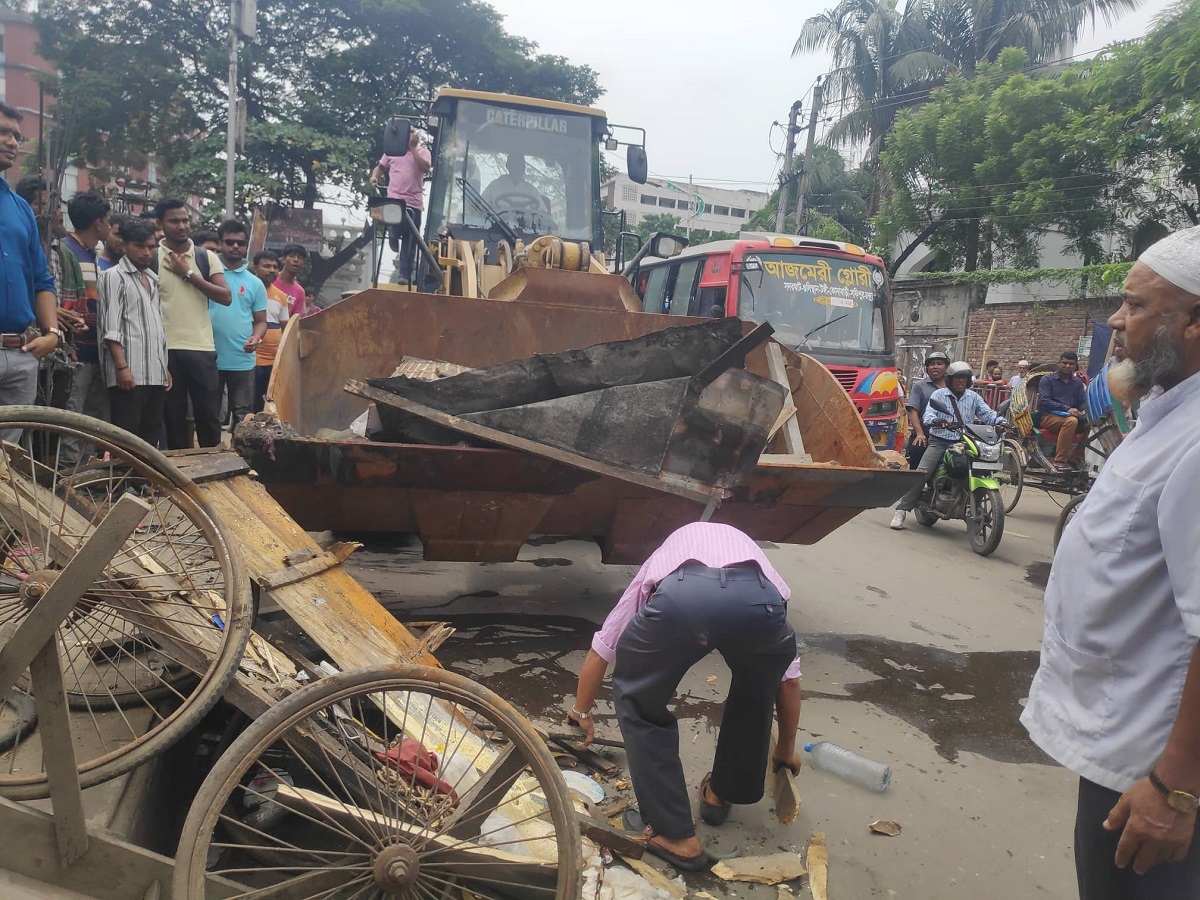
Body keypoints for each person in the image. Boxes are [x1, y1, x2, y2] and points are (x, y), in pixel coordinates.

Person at [1021, 225, 1200, 899]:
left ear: (1194, 322)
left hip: (1154, 766)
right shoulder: (1168, 410)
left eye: (1136, 307)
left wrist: (1176, 788)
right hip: (1126, 742)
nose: (1116, 322)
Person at [566, 522, 801, 872]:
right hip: (758, 602)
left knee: (638, 698)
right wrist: (785, 750)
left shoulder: (665, 555)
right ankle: (720, 795)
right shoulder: (757, 561)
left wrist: (581, 710)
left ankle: (675, 836)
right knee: (757, 688)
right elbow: (787, 681)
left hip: (683, 599)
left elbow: (603, 647)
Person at [0, 102, 65, 434]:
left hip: (22, 353)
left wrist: (52, 333)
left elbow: (42, 279)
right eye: (4, 132)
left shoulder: (20, 207)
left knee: (9, 462)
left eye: (16, 135)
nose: (13, 141)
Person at [155, 198, 231, 449]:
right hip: (166, 351)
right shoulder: (152, 257)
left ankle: (215, 471)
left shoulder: (205, 257)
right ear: (160, 224)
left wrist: (188, 273)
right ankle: (180, 477)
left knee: (209, 418)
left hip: (201, 347)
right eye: (174, 221)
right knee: (174, 419)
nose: (181, 225)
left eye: (185, 220)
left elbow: (225, 296)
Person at [890, 361, 1003, 530]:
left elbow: (987, 413)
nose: (961, 382)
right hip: (940, 442)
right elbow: (928, 415)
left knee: (981, 468)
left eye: (964, 378)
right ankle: (901, 510)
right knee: (922, 473)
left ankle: (971, 506)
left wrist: (1002, 421)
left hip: (965, 442)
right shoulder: (939, 395)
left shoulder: (973, 397)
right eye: (957, 378)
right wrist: (936, 421)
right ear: (950, 379)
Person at [97, 218, 169, 446]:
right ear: (125, 245)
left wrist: (164, 367)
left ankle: (142, 482)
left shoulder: (153, 279)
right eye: (140, 246)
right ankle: (124, 482)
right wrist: (122, 367)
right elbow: (111, 327)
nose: (147, 252)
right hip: (129, 372)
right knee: (126, 436)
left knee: (151, 433)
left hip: (154, 371)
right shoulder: (114, 276)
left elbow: (156, 327)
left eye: (151, 246)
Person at [59, 190, 114, 466]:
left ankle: (83, 469)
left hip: (96, 348)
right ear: (97, 223)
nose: (109, 226)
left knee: (91, 416)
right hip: (76, 350)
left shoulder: (93, 255)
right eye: (107, 220)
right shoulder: (67, 251)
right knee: (74, 413)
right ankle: (69, 471)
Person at [211, 220, 267, 428]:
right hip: (209, 357)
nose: (235, 247)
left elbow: (261, 322)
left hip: (242, 359)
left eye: (240, 243)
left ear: (246, 247)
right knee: (210, 413)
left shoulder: (255, 283)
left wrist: (257, 337)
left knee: (244, 416)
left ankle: (241, 459)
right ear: (220, 244)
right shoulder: (208, 275)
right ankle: (211, 456)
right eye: (230, 242)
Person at [370, 129, 431, 284]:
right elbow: (380, 167)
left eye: (411, 133)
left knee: (410, 240)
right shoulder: (392, 151)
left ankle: (404, 275)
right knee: (396, 218)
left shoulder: (423, 152)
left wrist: (412, 149)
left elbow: (424, 167)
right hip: (394, 199)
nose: (408, 135)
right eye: (407, 133)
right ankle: (393, 234)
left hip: (414, 203)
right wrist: (374, 177)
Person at [1038, 350, 1087, 470]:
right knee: (1071, 421)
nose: (1067, 366)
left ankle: (1077, 455)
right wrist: (1067, 409)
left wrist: (1083, 410)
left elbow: (1082, 401)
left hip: (1071, 416)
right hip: (1048, 416)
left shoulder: (1077, 383)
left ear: (1075, 366)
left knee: (1093, 422)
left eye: (1071, 364)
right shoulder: (1047, 379)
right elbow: (1045, 401)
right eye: (1064, 363)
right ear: (1059, 363)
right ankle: (1059, 461)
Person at [253, 250, 289, 412]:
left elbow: (285, 326)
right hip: (251, 359)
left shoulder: (281, 296)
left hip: (273, 361)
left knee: (266, 403)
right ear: (255, 268)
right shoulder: (248, 289)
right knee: (249, 403)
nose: (272, 270)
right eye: (266, 266)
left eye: (275, 267)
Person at [901, 350, 949, 471]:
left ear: (946, 367)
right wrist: (920, 433)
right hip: (926, 431)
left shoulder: (952, 387)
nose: (935, 367)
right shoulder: (920, 386)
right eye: (932, 364)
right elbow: (913, 411)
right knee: (918, 450)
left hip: (949, 432)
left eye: (939, 363)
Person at [482, 152, 550, 220]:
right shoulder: (494, 186)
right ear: (508, 165)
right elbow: (479, 208)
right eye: (514, 164)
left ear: (524, 167)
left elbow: (544, 216)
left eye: (520, 164)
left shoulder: (532, 190)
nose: (518, 167)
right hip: (497, 228)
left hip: (527, 229)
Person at [275, 244, 308, 318]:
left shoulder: (300, 291)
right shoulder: (270, 280)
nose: (296, 260)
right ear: (283, 259)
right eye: (291, 256)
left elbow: (296, 320)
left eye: (300, 257)